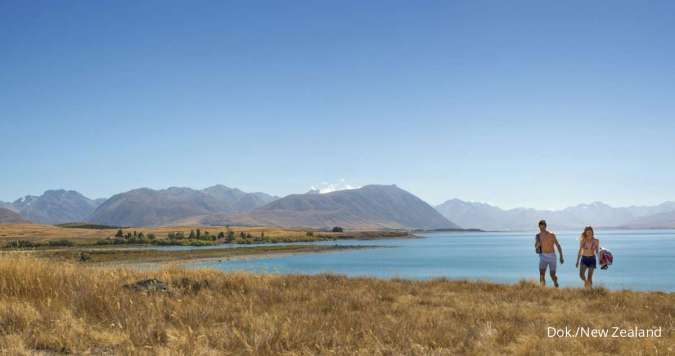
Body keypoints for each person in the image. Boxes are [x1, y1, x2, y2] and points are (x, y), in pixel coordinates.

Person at [534, 220, 564, 287]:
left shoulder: (551, 235)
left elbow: (558, 245)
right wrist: (537, 246)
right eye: (540, 228)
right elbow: (536, 248)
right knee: (542, 274)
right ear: (539, 227)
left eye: (543, 227)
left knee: (552, 275)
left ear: (545, 226)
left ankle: (555, 282)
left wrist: (561, 256)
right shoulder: (538, 236)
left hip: (552, 256)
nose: (542, 229)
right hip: (543, 256)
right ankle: (543, 289)